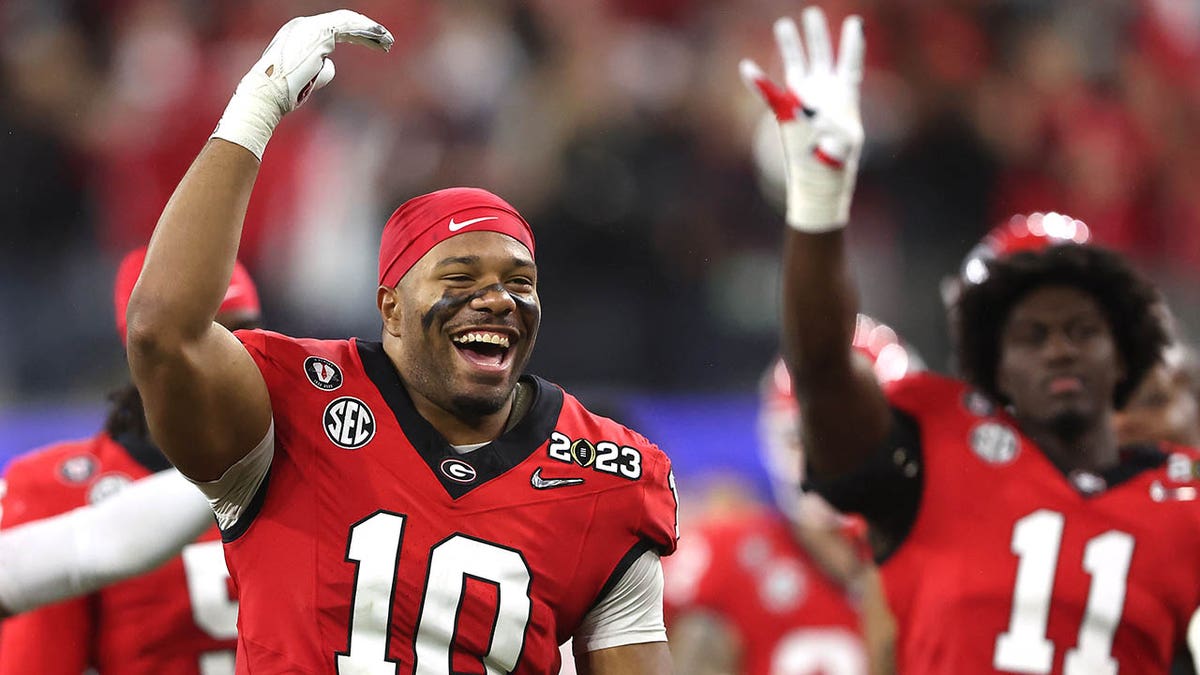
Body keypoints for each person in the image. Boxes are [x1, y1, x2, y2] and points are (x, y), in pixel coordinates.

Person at [125, 10, 678, 675]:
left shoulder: (604, 473)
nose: (497, 297)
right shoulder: (290, 408)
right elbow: (163, 331)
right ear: (390, 307)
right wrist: (256, 107)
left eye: (518, 280)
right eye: (462, 275)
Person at [741, 6, 1200, 673]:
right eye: (1032, 332)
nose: (1060, 349)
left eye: (1081, 328)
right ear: (991, 360)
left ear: (1123, 351)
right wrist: (819, 208)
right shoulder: (930, 454)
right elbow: (820, 372)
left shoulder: (1183, 501)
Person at [0, 247, 259, 674]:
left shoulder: (307, 460)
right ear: (140, 350)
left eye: (244, 333)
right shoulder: (58, 490)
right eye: (198, 336)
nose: (226, 355)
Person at [664, 315, 909, 675]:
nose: (832, 465)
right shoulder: (730, 554)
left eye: (855, 440)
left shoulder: (943, 560)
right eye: (810, 441)